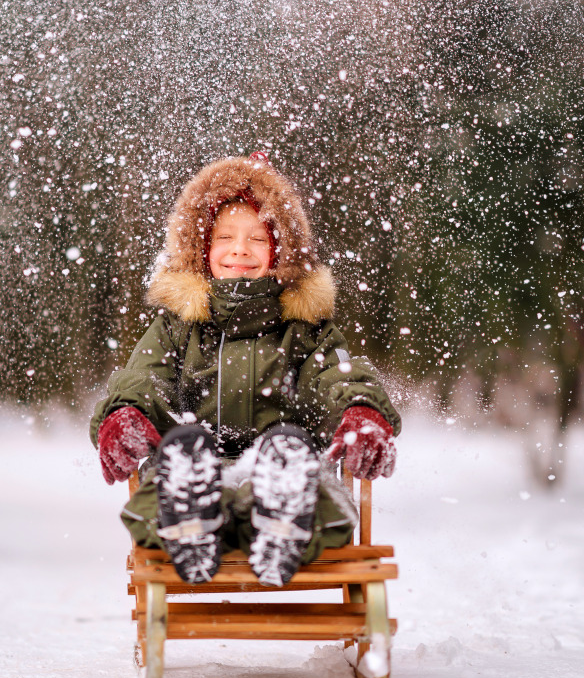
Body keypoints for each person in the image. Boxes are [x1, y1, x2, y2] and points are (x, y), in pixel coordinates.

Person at [90, 153, 401, 587]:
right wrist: (127, 412)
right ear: (201, 248)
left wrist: (361, 410)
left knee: (303, 474)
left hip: (278, 463)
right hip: (200, 465)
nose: (240, 249)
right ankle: (195, 513)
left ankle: (278, 512)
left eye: (257, 238)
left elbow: (338, 376)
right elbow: (145, 376)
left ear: (281, 250)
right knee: (171, 472)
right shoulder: (178, 327)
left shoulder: (303, 329)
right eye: (224, 237)